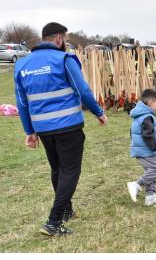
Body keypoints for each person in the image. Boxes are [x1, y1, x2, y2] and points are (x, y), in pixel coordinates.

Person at [14, 22, 107, 236]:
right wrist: (98, 112)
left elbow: (22, 102)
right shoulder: (64, 59)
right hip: (68, 126)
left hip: (43, 129)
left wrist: (29, 131)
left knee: (57, 169)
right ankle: (53, 222)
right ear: (59, 38)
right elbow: (82, 89)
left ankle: (66, 210)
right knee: (70, 170)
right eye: (64, 38)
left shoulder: (22, 65)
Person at [127, 89, 156, 206]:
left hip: (142, 150)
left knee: (151, 171)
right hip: (145, 151)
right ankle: (136, 184)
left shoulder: (140, 115)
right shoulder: (146, 117)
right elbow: (148, 136)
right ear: (150, 103)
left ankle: (150, 197)